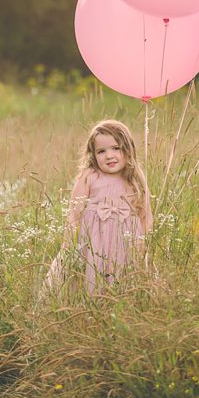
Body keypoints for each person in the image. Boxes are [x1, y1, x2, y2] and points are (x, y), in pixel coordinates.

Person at [46, 119, 154, 295]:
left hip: (126, 244)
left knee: (124, 281)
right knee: (90, 279)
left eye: (116, 148)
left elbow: (145, 216)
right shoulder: (90, 176)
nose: (109, 155)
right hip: (94, 244)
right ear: (93, 155)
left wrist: (144, 247)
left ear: (128, 149)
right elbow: (74, 213)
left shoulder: (135, 180)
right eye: (101, 151)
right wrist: (67, 245)